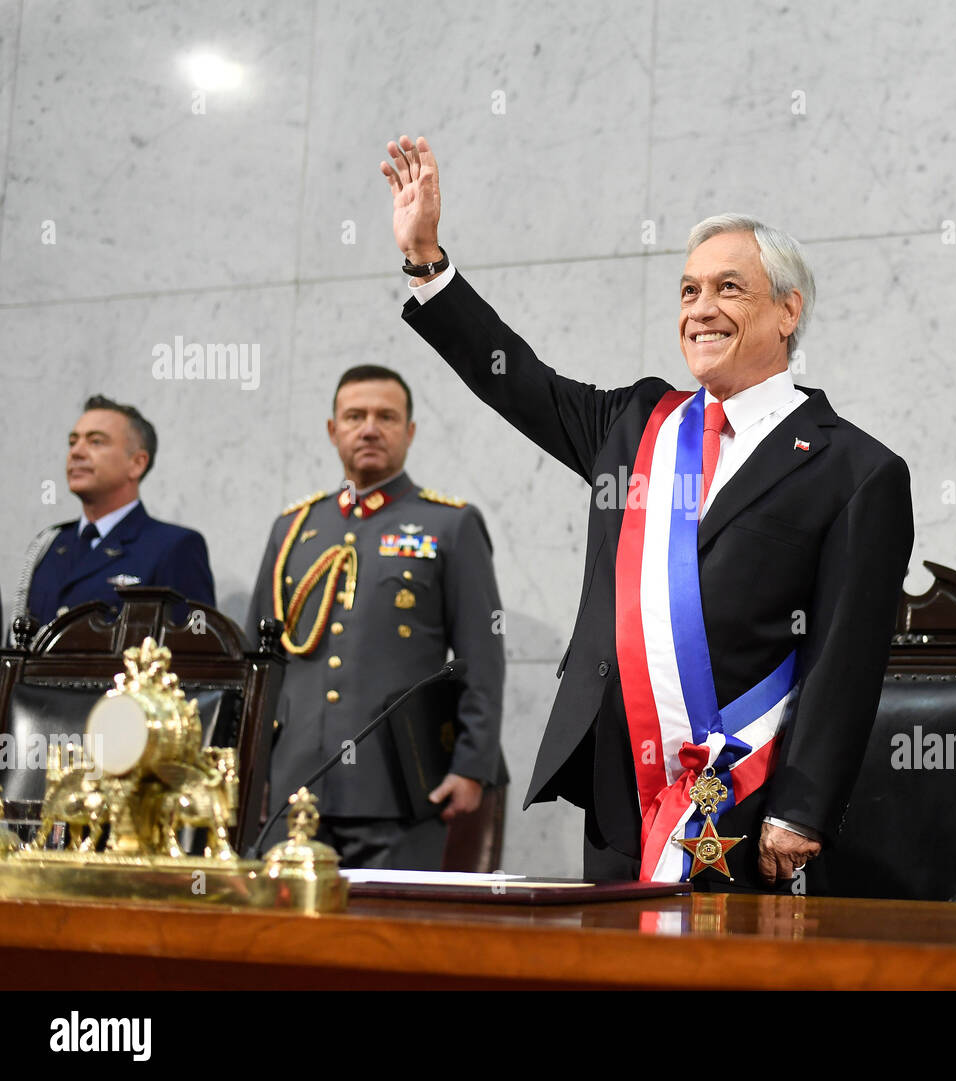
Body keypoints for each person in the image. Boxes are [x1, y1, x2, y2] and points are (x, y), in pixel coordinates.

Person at [381, 134, 913, 890]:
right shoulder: (638, 425)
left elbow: (846, 659)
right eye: (690, 290)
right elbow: (515, 378)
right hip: (618, 778)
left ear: (788, 311)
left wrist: (802, 809)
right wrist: (429, 261)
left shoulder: (857, 469)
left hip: (750, 802)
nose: (701, 310)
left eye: (729, 289)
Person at [245, 365, 507, 870]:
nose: (369, 428)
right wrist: (252, 774)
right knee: (282, 940)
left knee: (392, 937)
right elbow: (261, 663)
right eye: (355, 416)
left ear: (409, 432)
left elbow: (481, 659)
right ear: (332, 430)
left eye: (386, 417)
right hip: (292, 789)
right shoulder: (294, 529)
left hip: (399, 789)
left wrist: (472, 766)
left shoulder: (449, 525)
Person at [17, 395, 214, 632]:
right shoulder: (49, 546)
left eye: (96, 442)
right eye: (72, 442)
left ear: (137, 463)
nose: (76, 453)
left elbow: (196, 648)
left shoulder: (173, 547)